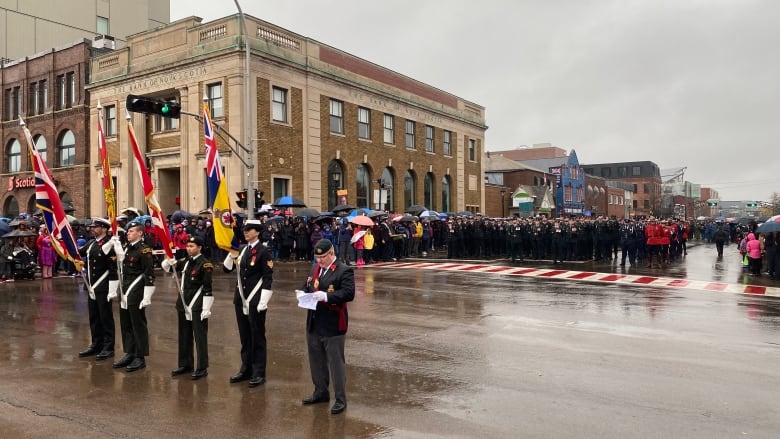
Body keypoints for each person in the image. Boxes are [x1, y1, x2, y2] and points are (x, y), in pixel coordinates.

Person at [299, 238, 355, 415]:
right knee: (316, 360)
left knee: (335, 363)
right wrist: (302, 293)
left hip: (333, 324)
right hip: (314, 322)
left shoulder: (343, 270)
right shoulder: (315, 268)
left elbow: (348, 293)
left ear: (331, 253)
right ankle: (320, 392)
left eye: (323, 257)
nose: (319, 261)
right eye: (317, 258)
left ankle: (340, 399)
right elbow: (308, 285)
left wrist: (327, 297)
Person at [223, 219, 274, 387]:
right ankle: (246, 369)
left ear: (257, 232)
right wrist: (231, 255)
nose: (246, 232)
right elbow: (227, 269)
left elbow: (267, 277)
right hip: (241, 300)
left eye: (250, 229)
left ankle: (259, 372)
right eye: (245, 229)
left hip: (255, 300)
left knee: (257, 336)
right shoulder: (243, 250)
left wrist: (264, 300)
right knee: (245, 336)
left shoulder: (264, 251)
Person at [162, 235, 214, 380]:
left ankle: (202, 367)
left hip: (197, 305)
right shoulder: (185, 262)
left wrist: (206, 308)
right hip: (183, 304)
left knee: (199, 336)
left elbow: (207, 287)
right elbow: (169, 269)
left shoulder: (205, 264)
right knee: (184, 335)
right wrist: (169, 261)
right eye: (188, 246)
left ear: (199, 248)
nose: (189, 248)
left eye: (192, 246)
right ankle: (185, 364)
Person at [112, 222, 155, 372]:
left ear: (140, 233)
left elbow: (149, 274)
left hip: (136, 290)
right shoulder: (126, 248)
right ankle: (129, 352)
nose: (128, 233)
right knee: (126, 323)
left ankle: (140, 356)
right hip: (125, 290)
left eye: (131, 231)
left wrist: (147, 296)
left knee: (138, 323)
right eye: (128, 231)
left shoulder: (144, 250)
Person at [77, 217, 120, 361]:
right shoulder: (91, 243)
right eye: (92, 227)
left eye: (95, 227)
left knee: (105, 317)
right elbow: (78, 253)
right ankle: (96, 344)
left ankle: (108, 347)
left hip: (103, 286)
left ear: (103, 228)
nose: (92, 229)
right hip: (91, 287)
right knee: (94, 317)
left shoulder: (110, 243)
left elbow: (113, 268)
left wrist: (113, 289)